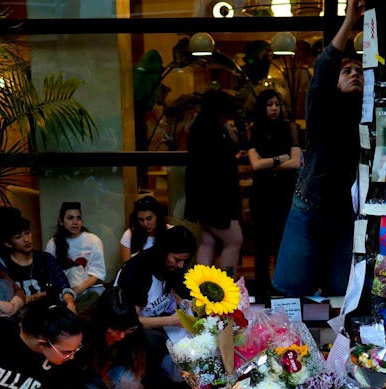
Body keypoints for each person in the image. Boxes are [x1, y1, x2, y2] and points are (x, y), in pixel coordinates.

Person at [272, 0, 364, 296]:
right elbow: (325, 66)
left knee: (340, 287)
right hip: (312, 203)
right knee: (293, 285)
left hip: (346, 210)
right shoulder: (322, 105)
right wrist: (349, 21)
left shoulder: (366, 115)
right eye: (346, 71)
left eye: (359, 71)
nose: (354, 74)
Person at [114, 225, 197, 382]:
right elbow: (129, 321)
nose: (180, 265)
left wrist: (182, 302)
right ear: (164, 251)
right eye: (177, 259)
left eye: (184, 261)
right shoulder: (138, 270)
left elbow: (172, 292)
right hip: (128, 334)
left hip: (157, 325)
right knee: (166, 355)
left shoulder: (170, 267)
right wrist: (171, 321)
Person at [245, 89, 301, 299]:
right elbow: (255, 164)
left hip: (284, 191)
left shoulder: (290, 128)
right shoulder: (255, 129)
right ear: (263, 107)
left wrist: (267, 163)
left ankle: (280, 286)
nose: (274, 108)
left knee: (282, 241)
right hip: (262, 192)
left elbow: (295, 162)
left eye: (277, 104)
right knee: (261, 243)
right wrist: (279, 159)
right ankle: (261, 289)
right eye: (269, 104)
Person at [185, 89, 243, 276]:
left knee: (208, 241)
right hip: (217, 197)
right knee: (234, 240)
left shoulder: (200, 126)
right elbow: (231, 151)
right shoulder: (212, 130)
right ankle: (227, 284)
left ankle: (202, 287)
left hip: (202, 196)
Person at [0, 207, 76, 314]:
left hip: (51, 311)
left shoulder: (45, 258)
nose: (26, 239)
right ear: (8, 243)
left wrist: (69, 301)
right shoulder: (2, 264)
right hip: (21, 315)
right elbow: (5, 300)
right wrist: (32, 298)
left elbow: (63, 284)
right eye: (18, 237)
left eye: (27, 233)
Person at [46, 202, 106, 312]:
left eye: (78, 218)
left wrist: (78, 289)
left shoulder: (93, 240)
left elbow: (97, 273)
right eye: (70, 218)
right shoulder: (53, 243)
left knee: (99, 297)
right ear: (61, 221)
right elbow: (50, 273)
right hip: (63, 291)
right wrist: (68, 293)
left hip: (89, 289)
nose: (75, 222)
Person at [119, 196, 173, 264]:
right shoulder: (129, 235)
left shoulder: (171, 232)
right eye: (141, 220)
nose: (145, 224)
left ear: (157, 216)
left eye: (149, 218)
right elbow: (126, 267)